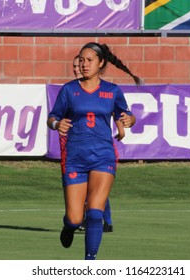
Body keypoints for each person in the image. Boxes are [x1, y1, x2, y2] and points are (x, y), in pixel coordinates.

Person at [47, 42, 140, 260]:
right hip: (75, 158)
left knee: (95, 212)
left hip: (102, 156)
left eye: (89, 60)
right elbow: (53, 116)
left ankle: (90, 263)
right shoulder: (69, 90)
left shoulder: (112, 91)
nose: (84, 64)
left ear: (101, 63)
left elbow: (127, 116)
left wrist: (130, 119)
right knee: (75, 218)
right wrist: (55, 124)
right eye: (81, 59)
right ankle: (69, 226)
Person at [72, 54, 122, 233]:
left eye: (80, 65)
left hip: (99, 146)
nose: (77, 68)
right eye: (76, 66)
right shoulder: (71, 90)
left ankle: (100, 220)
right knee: (89, 186)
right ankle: (100, 220)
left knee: (95, 186)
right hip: (78, 145)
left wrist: (121, 128)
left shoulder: (103, 90)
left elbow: (115, 110)